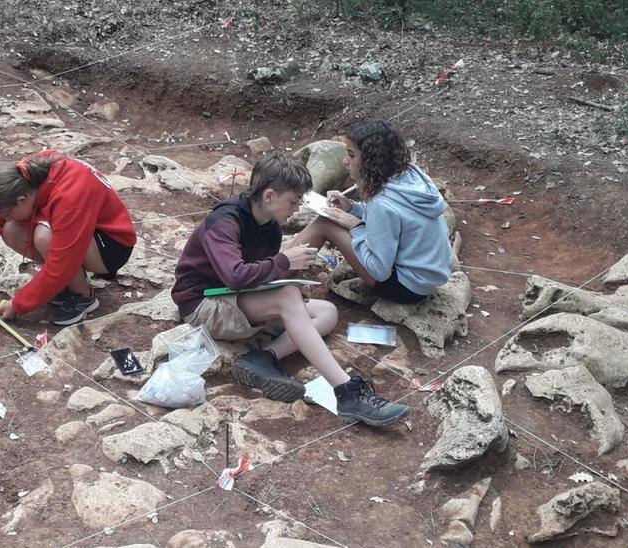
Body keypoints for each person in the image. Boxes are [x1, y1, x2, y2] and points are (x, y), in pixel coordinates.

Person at [171, 153, 410, 426]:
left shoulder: (270, 228)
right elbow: (234, 276)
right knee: (288, 298)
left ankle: (262, 358)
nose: (296, 209)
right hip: (203, 304)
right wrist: (284, 263)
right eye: (294, 201)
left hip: (235, 300)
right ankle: (347, 393)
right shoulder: (226, 222)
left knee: (327, 312)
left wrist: (286, 282)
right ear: (270, 195)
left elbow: (256, 276)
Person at [0, 150, 136, 326]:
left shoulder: (70, 196)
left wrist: (18, 305)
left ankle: (83, 297)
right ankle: (68, 283)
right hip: (82, 234)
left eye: (7, 213)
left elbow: (61, 264)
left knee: (45, 236)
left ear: (21, 200)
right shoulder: (22, 178)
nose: (4, 218)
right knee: (11, 229)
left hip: (111, 245)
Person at [293, 119, 452, 304]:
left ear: (370, 161)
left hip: (406, 287)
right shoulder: (410, 176)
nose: (345, 162)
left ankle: (278, 276)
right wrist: (352, 208)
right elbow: (393, 220)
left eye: (351, 155)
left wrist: (355, 225)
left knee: (325, 224)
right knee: (333, 221)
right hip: (424, 277)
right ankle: (281, 266)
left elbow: (379, 271)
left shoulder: (382, 204)